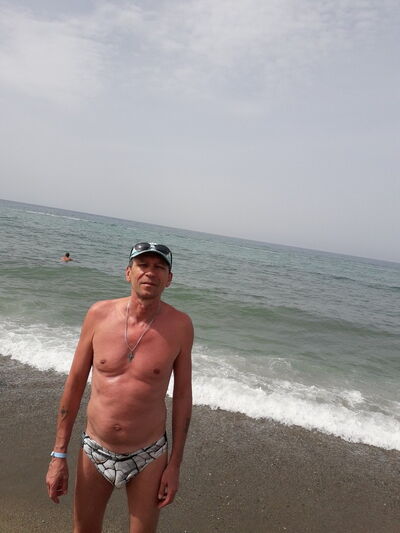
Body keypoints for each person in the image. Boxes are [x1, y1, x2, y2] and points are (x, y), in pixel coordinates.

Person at [46, 242, 193, 533]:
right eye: (143, 265)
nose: (150, 272)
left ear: (169, 279)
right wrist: (58, 455)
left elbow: (182, 397)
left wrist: (174, 465)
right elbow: (74, 384)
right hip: (95, 449)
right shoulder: (98, 315)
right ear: (128, 273)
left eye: (159, 267)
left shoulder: (180, 326)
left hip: (149, 454)